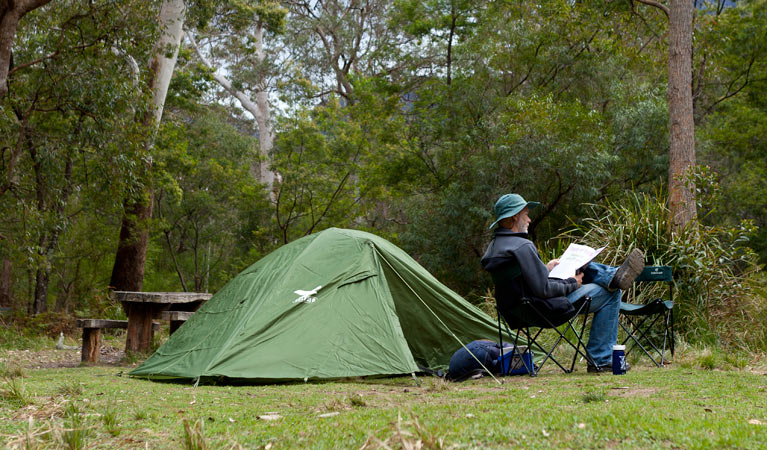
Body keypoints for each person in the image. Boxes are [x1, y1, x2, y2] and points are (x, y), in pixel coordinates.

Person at [480, 193, 644, 372]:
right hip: (545, 308)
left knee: (578, 267)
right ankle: (601, 359)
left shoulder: (495, 247)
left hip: (518, 311)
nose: (529, 219)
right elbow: (543, 290)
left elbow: (521, 281)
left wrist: (545, 268)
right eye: (526, 214)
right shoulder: (522, 246)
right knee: (611, 293)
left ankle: (613, 276)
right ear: (514, 217)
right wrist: (572, 284)